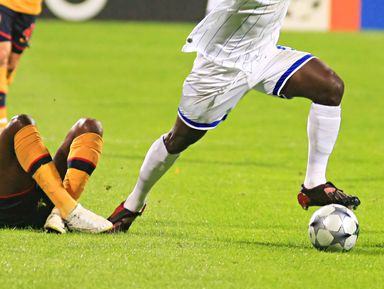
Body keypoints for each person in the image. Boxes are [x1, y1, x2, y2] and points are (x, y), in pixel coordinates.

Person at [108, 0, 360, 232]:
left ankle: (314, 183)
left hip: (264, 55)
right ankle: (132, 204)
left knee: (330, 87)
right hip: (222, 66)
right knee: (180, 139)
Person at [0, 114, 113, 233]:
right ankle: (70, 210)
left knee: (90, 127)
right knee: (19, 124)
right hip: (8, 209)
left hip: (46, 204)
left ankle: (58, 214)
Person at [0, 0, 41, 129]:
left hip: (29, 8)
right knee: (2, 54)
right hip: (4, 4)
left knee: (11, 65)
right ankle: (1, 120)